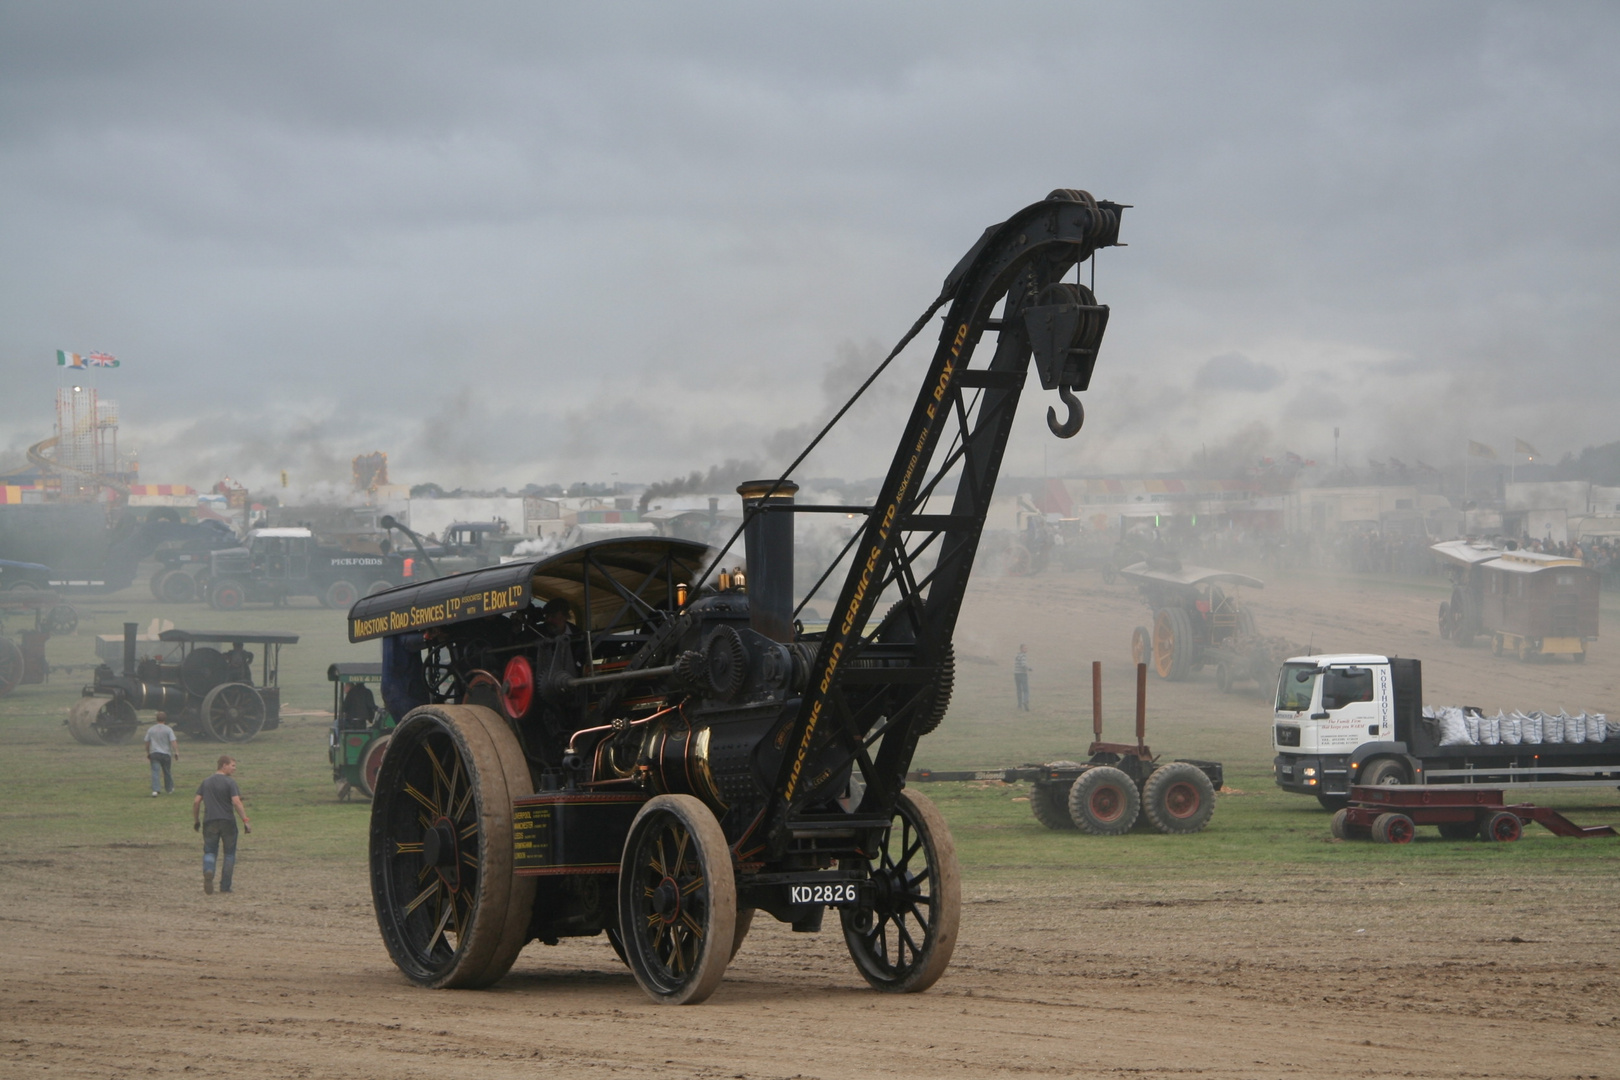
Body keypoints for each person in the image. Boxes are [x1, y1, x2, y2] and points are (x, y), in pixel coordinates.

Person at [193, 756, 251, 895]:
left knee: (210, 851)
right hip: (227, 821)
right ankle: (225, 887)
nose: (234, 768)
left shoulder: (206, 782)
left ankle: (209, 870)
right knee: (229, 854)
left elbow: (196, 802)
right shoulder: (230, 783)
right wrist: (245, 820)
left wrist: (196, 820)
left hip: (210, 821)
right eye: (232, 765)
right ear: (224, 765)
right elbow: (236, 802)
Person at [144, 711, 178, 796]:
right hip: (166, 754)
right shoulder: (168, 729)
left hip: (154, 753)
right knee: (167, 771)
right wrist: (176, 752)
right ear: (165, 719)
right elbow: (173, 741)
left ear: (156, 719)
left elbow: (147, 742)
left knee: (155, 771)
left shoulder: (151, 729)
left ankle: (155, 790)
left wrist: (148, 752)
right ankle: (169, 789)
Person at [1013, 645, 1032, 711]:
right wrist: (1029, 668)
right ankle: (1025, 701)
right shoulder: (1023, 656)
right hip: (1022, 674)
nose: (1026, 649)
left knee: (1019, 690)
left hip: (1016, 674)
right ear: (1021, 649)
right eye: (1025, 648)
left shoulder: (1017, 655)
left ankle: (1019, 705)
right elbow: (1023, 664)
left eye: (1026, 648)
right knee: (1026, 690)